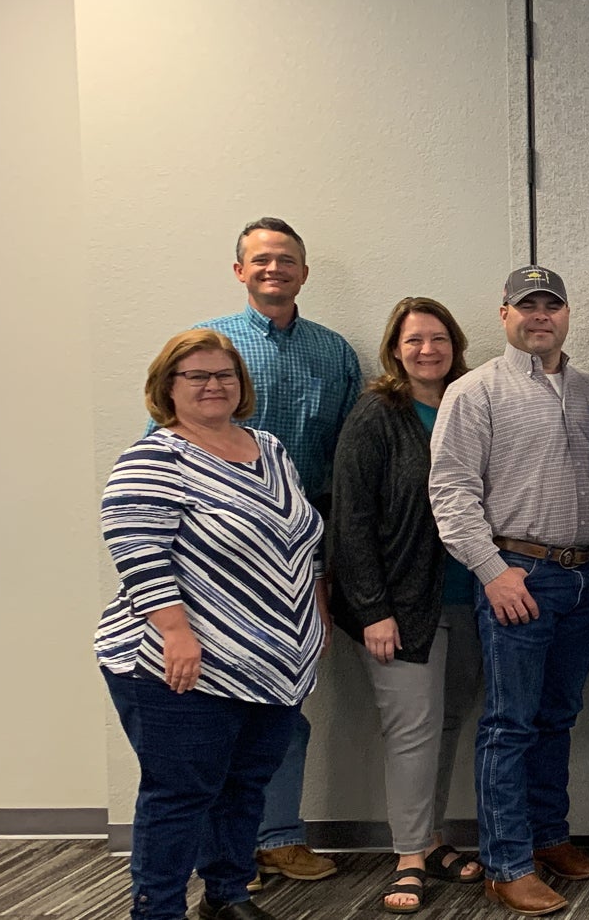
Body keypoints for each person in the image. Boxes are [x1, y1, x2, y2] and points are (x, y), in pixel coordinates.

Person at [97, 329, 325, 920]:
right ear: (166, 387)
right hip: (182, 662)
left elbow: (298, 536)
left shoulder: (268, 447)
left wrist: (312, 618)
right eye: (195, 376)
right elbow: (137, 551)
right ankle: (158, 908)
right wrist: (176, 632)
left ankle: (227, 895)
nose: (213, 385)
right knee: (180, 796)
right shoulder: (154, 457)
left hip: (274, 662)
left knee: (244, 788)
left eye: (224, 374)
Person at [430, 267, 589, 917]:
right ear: (505, 311)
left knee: (557, 716)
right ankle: (506, 862)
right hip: (518, 575)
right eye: (528, 305)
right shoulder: (475, 391)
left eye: (553, 305)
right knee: (509, 722)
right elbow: (450, 492)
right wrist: (491, 569)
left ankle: (548, 836)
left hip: (586, 576)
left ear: (568, 314)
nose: (541, 315)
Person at [195, 218, 360, 888]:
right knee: (220, 709)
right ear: (239, 270)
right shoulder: (210, 345)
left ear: (303, 272)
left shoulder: (334, 352)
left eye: (286, 259)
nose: (273, 269)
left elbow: (346, 467)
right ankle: (226, 854)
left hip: (302, 553)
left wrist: (326, 568)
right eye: (260, 259)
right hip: (222, 555)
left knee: (288, 702)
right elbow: (166, 442)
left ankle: (281, 835)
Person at [329, 298, 487, 912]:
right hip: (401, 605)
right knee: (412, 730)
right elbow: (351, 518)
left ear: (456, 344)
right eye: (415, 339)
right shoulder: (377, 414)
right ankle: (409, 857)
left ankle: (433, 838)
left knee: (447, 723)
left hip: (470, 596)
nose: (428, 350)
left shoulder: (468, 403)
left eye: (439, 338)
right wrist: (372, 610)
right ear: (395, 348)